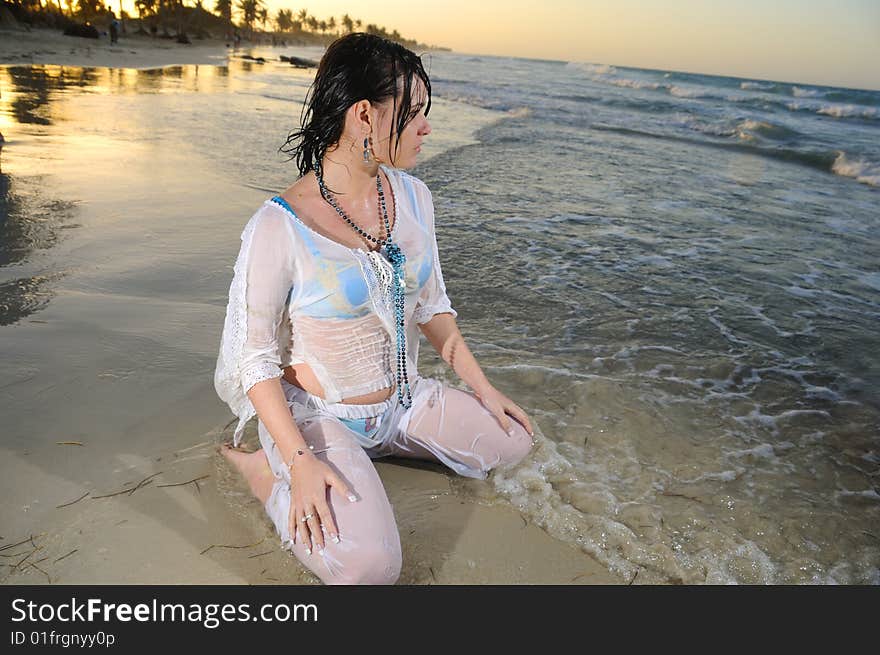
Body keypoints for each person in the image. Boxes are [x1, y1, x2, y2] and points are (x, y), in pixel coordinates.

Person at [214, 33, 535, 585]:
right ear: (364, 115)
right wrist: (299, 460)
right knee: (370, 568)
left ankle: (378, 452)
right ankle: (266, 475)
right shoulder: (279, 225)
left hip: (402, 403)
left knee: (514, 442)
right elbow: (256, 362)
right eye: (414, 115)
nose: (428, 128)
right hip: (319, 416)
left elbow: (433, 307)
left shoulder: (414, 198)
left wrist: (484, 389)